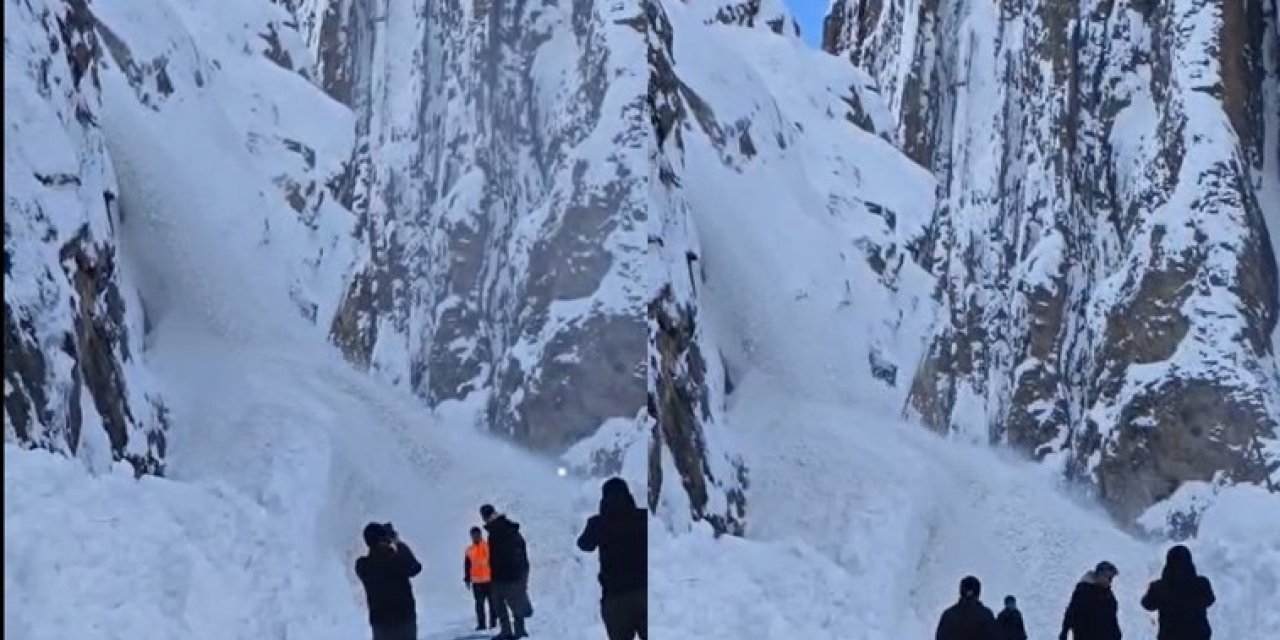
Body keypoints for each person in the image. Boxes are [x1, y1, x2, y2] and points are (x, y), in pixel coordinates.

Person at [577, 477, 648, 640]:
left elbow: (584, 545)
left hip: (616, 598)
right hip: (644, 593)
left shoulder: (599, 523)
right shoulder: (643, 518)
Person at [355, 522, 423, 640]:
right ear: (383, 540)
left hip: (381, 624)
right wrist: (398, 542)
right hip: (404, 620)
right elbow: (415, 567)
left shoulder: (363, 565)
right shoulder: (396, 560)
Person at [1140, 545, 1215, 640]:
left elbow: (1147, 604)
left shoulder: (1159, 587)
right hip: (1198, 635)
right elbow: (1210, 600)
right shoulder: (1201, 583)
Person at [482, 503, 532, 640]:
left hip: (508, 575)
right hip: (500, 575)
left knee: (513, 603)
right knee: (500, 604)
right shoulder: (500, 530)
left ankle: (517, 631)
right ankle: (509, 631)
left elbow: (511, 554)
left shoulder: (501, 531)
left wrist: (516, 572)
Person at [1059, 561, 1122, 640]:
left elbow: (1112, 620)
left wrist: (1117, 635)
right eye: (1108, 578)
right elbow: (1072, 613)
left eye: (1111, 578)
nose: (1110, 581)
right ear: (1100, 575)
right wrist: (1064, 632)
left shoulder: (1108, 595)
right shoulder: (1084, 591)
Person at [936, 575, 999, 640]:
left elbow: (940, 637)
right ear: (978, 592)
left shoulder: (949, 614)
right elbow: (995, 636)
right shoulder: (986, 614)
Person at [465, 526, 499, 632]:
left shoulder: (488, 547)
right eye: (473, 535)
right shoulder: (469, 550)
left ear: (480, 534)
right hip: (477, 582)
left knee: (492, 603)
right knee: (479, 605)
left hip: (489, 580)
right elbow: (467, 565)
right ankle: (481, 624)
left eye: (477, 534)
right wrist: (467, 578)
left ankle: (493, 623)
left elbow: (494, 562)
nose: (475, 537)